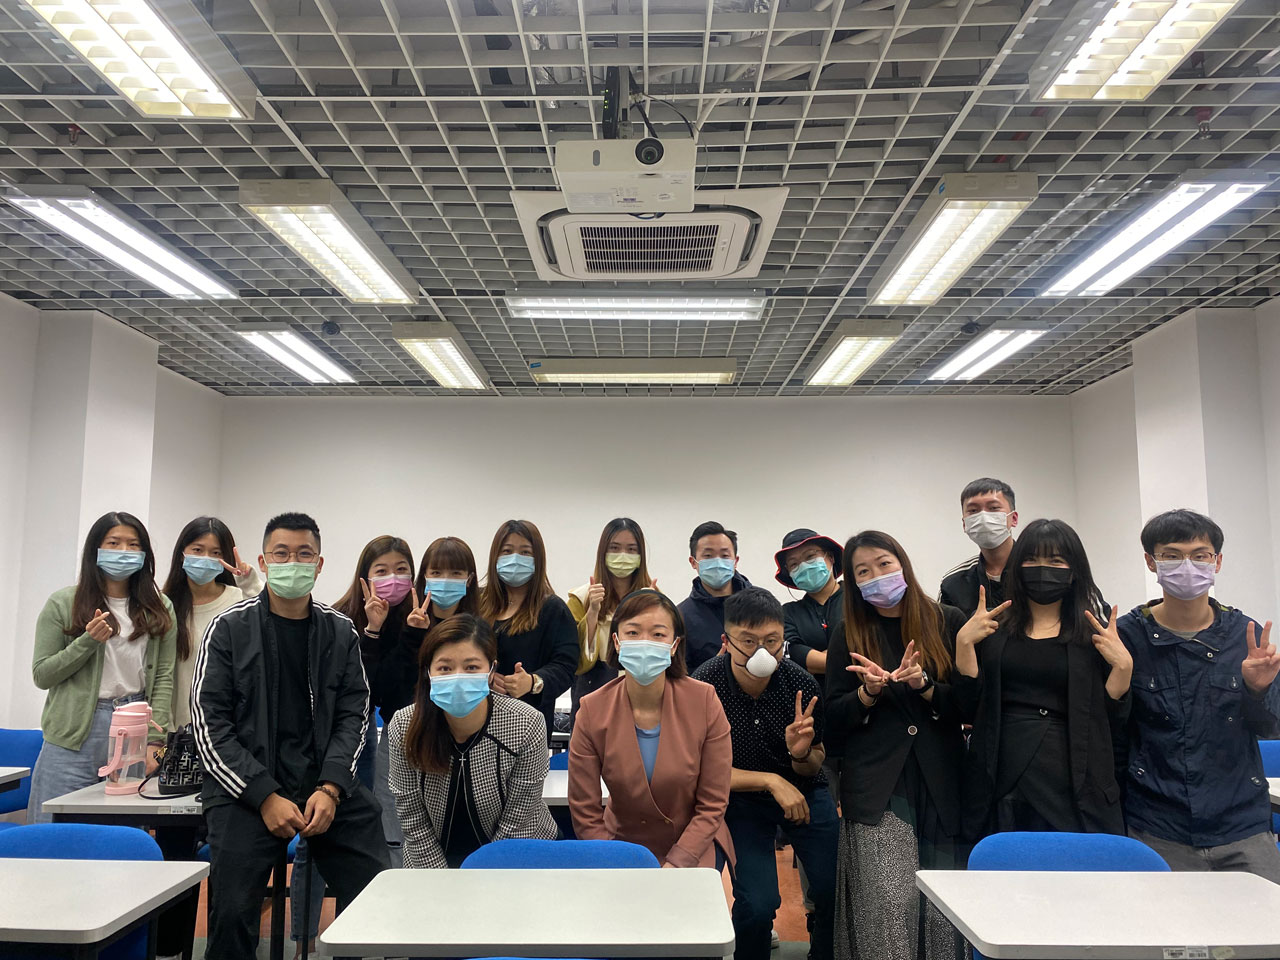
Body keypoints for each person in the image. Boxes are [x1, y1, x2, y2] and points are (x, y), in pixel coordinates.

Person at [191, 512, 390, 960]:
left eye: (304, 554)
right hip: (246, 789)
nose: (292, 563)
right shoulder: (228, 629)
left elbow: (355, 713)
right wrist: (264, 795)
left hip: (324, 784)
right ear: (263, 562)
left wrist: (332, 787)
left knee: (377, 891)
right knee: (231, 912)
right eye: (281, 554)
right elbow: (209, 724)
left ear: (319, 565)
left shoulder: (340, 631)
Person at [825, 531, 968, 960]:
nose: (876, 576)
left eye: (883, 564)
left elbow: (970, 704)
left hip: (943, 781)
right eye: (862, 571)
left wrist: (924, 686)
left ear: (902, 563)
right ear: (852, 582)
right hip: (878, 786)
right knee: (886, 906)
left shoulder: (947, 620)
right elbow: (833, 721)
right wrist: (867, 694)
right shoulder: (848, 632)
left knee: (945, 910)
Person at [1118, 509, 1280, 880]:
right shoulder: (1127, 637)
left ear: (1217, 562)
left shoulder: (1246, 635)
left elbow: (1269, 727)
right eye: (1172, 555)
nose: (1187, 565)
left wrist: (1257, 689)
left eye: (1200, 555)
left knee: (1266, 916)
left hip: (1241, 822)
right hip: (1157, 824)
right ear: (1151, 561)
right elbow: (1112, 732)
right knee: (1168, 920)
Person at [957, 518, 1133, 840]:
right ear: (1016, 567)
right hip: (1001, 775)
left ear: (1074, 570)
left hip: (1073, 777)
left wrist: (1123, 669)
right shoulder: (992, 631)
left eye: (1055, 561)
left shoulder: (1094, 635)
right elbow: (968, 709)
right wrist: (964, 645)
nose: (1042, 569)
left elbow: (1111, 721)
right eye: (1031, 559)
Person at [692, 587, 837, 960]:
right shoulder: (704, 686)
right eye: (748, 641)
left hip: (804, 792)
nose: (762, 652)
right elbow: (703, 772)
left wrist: (799, 753)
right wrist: (772, 781)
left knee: (833, 889)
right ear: (726, 641)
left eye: (772, 641)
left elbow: (815, 761)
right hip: (740, 800)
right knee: (757, 904)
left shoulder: (801, 684)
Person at [156, 516, 261, 959]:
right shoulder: (163, 605)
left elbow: (274, 618)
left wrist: (251, 581)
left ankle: (223, 946)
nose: (205, 559)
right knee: (174, 851)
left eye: (215, 552)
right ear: (181, 552)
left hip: (228, 743)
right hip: (176, 743)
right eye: (196, 549)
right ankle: (168, 947)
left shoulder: (239, 601)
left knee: (227, 854)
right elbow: (158, 675)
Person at [569, 589, 734, 868]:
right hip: (620, 847)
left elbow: (713, 803)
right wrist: (613, 860)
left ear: (674, 644)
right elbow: (585, 811)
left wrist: (678, 862)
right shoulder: (592, 710)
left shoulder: (704, 701)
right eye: (633, 633)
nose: (645, 643)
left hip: (693, 843)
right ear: (617, 641)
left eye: (658, 634)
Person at [29, 511, 176, 822]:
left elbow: (164, 677)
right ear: (96, 549)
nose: (124, 551)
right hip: (75, 732)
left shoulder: (160, 607)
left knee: (120, 830)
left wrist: (155, 738)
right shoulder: (63, 603)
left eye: (133, 545)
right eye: (114, 543)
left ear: (145, 554)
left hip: (134, 724)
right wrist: (87, 642)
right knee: (54, 829)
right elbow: (42, 675)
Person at [387, 614, 559, 867]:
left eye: (471, 668)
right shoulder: (404, 725)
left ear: (491, 671)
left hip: (516, 853)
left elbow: (519, 817)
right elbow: (412, 817)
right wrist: (439, 879)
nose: (458, 677)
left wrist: (483, 876)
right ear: (427, 673)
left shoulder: (526, 723)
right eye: (445, 668)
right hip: (430, 861)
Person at [478, 520, 578, 741]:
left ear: (538, 559)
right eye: (507, 551)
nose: (515, 559)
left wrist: (533, 682)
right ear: (495, 556)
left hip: (527, 727)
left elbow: (566, 666)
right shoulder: (477, 602)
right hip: (475, 722)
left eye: (525, 552)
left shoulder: (553, 609)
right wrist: (481, 676)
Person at [567, 518, 657, 718]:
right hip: (593, 691)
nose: (623, 556)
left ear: (641, 555)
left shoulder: (653, 596)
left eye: (631, 549)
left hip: (641, 693)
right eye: (615, 548)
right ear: (603, 552)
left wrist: (651, 611)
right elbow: (577, 661)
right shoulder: (580, 598)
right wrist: (592, 612)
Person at [939, 478, 1019, 617]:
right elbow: (940, 630)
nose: (983, 517)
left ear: (1014, 519)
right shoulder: (953, 582)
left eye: (993, 508)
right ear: (965, 524)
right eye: (973, 510)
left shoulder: (1037, 569)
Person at [679, 521, 752, 672]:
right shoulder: (681, 616)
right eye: (708, 555)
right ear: (693, 562)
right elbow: (680, 675)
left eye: (725, 555)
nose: (718, 561)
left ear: (735, 561)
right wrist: (711, 671)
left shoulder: (760, 604)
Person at [776, 528, 844, 677]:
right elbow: (795, 655)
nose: (803, 566)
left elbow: (872, 643)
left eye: (810, 556)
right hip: (813, 691)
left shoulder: (858, 598)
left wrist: (819, 658)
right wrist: (848, 658)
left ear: (830, 557)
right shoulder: (787, 613)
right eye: (794, 564)